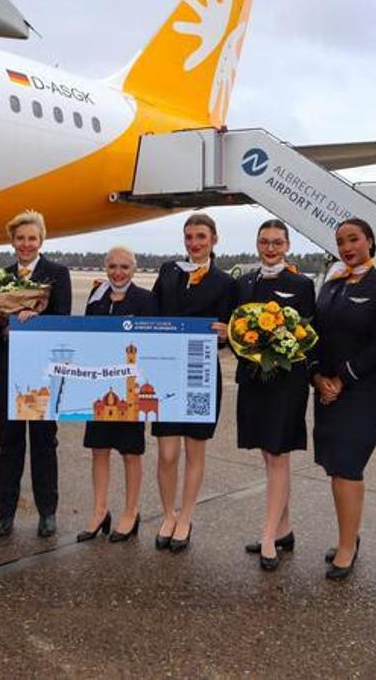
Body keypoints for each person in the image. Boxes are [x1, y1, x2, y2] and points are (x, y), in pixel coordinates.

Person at [309, 218, 376, 579]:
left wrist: (341, 378)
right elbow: (314, 334)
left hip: (366, 389)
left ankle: (347, 547)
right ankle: (349, 536)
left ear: (370, 241)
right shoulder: (331, 287)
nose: (347, 247)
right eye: (340, 242)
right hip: (327, 388)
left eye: (354, 239)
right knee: (335, 465)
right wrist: (317, 376)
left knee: (348, 465)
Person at [233, 220, 315, 571]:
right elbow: (236, 326)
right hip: (253, 380)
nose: (270, 248)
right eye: (264, 242)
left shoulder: (301, 284)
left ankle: (268, 536)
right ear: (256, 244)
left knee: (279, 454)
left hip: (285, 381)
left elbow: (306, 330)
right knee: (268, 454)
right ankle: (283, 529)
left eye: (277, 242)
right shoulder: (244, 282)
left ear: (287, 245)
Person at [150, 213, 234, 552]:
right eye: (189, 237)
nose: (194, 243)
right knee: (167, 453)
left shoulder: (225, 283)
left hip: (200, 374)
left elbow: (229, 331)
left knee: (194, 451)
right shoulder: (169, 272)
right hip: (166, 372)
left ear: (214, 239)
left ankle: (186, 516)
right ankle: (168, 513)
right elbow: (152, 316)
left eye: (201, 236)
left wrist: (228, 335)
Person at [0, 210, 72, 538]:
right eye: (20, 238)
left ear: (41, 241)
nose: (26, 244)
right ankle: (5, 512)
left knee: (43, 441)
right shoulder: (1, 276)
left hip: (42, 368)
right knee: (9, 441)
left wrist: (33, 323)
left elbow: (62, 318)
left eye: (32, 238)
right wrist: (5, 331)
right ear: (13, 241)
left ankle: (47, 511)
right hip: (8, 365)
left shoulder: (57, 273)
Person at [76, 246, 156, 544]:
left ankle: (130, 512)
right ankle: (99, 511)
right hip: (100, 385)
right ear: (105, 267)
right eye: (112, 266)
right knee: (98, 449)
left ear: (134, 269)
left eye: (124, 267)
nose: (118, 272)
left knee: (130, 452)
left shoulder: (146, 300)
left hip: (130, 386)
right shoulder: (96, 298)